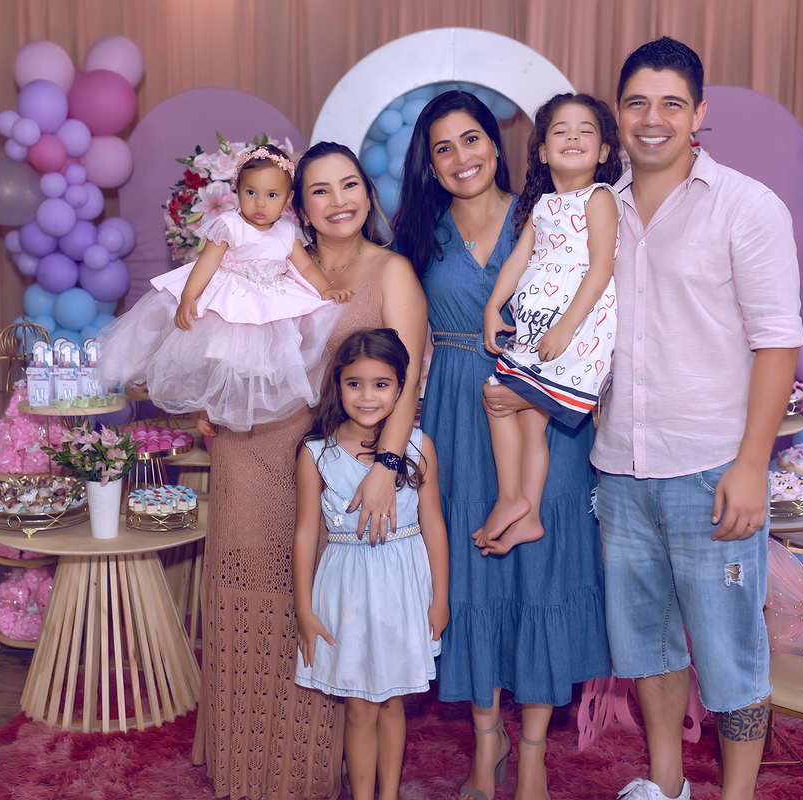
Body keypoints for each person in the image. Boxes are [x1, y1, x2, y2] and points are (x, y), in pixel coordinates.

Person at [592, 38, 803, 800]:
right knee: (646, 647)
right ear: (618, 112)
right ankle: (667, 784)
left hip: (713, 469)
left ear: (698, 113)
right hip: (619, 468)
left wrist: (751, 466)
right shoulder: (598, 209)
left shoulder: (746, 206)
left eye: (671, 104)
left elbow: (778, 342)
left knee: (730, 651)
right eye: (637, 103)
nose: (652, 119)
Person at [393, 91, 610, 800]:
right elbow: (395, 331)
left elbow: (601, 300)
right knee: (471, 569)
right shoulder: (419, 234)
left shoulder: (543, 212)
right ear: (429, 164)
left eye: (472, 139)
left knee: (541, 568)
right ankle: (488, 742)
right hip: (457, 410)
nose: (462, 157)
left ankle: (535, 753)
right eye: (443, 148)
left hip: (542, 399)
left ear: (497, 143)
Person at [194, 141, 427, 800]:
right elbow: (221, 334)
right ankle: (248, 767)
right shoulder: (270, 259)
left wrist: (387, 466)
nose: (338, 201)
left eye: (349, 184)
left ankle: (313, 769)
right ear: (299, 205)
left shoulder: (392, 272)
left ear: (368, 194)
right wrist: (212, 398)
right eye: (320, 190)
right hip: (251, 451)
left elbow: (408, 383)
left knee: (326, 611)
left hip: (339, 470)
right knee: (251, 598)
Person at [95, 143, 352, 432]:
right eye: (251, 192)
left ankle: (251, 410)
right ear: (237, 190)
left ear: (288, 198)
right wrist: (189, 296)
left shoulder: (286, 231)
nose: (260, 203)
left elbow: (305, 267)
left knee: (262, 364)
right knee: (218, 359)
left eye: (272, 195)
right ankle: (205, 409)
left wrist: (324, 289)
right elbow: (206, 264)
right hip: (230, 303)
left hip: (268, 306)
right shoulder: (230, 225)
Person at [293, 328, 450, 800]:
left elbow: (434, 526)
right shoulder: (316, 453)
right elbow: (306, 533)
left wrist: (441, 598)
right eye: (354, 383)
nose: (367, 396)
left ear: (402, 388)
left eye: (381, 384)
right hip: (346, 593)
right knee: (359, 706)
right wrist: (303, 608)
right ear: (338, 385)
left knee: (392, 702)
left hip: (403, 590)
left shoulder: (418, 446)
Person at [477, 93, 621, 556]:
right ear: (542, 151)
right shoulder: (542, 205)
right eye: (561, 131)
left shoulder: (600, 198)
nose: (572, 137)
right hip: (537, 326)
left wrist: (565, 328)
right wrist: (493, 306)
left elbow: (602, 267)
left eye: (585, 131)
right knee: (528, 423)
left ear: (603, 151)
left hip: (576, 329)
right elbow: (519, 258)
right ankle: (529, 514)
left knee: (497, 399)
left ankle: (511, 498)